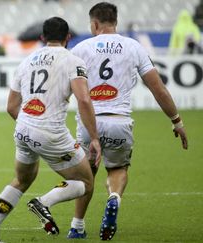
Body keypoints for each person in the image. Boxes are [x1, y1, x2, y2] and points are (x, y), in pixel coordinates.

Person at [66, 2, 188, 240]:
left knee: (86, 176)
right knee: (118, 168)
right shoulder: (133, 47)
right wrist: (177, 121)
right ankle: (114, 197)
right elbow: (158, 89)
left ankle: (77, 226)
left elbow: (66, 86)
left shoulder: (80, 48)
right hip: (119, 121)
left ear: (95, 23)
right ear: (116, 22)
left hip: (89, 123)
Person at [0, 17, 101, 243]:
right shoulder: (73, 61)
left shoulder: (26, 62)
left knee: (21, 180)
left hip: (23, 128)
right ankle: (43, 203)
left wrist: (30, 129)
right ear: (68, 37)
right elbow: (84, 99)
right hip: (52, 132)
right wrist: (94, 137)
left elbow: (11, 106)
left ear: (42, 38)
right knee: (86, 182)